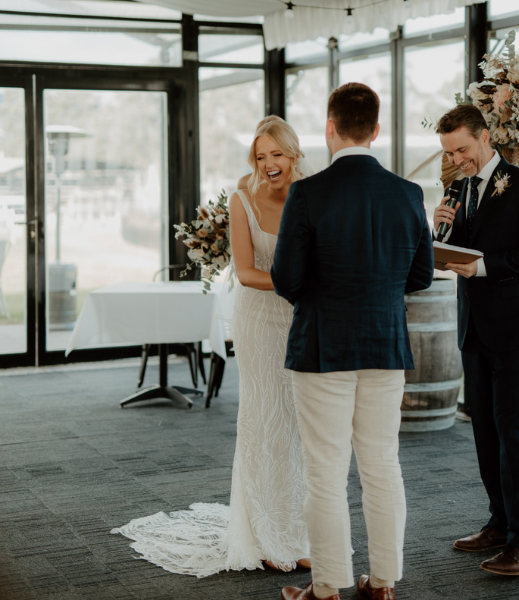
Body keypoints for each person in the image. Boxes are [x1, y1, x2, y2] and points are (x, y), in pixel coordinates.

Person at [111, 115, 311, 576]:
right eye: (261, 157)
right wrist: (304, 286)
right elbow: (245, 272)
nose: (269, 164)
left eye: (277, 154)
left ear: (294, 153)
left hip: (304, 322)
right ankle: (264, 535)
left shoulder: (313, 192)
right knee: (264, 422)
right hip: (260, 320)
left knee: (300, 426)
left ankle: (299, 533)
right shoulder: (243, 196)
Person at [271, 82, 434, 600]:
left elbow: (286, 280)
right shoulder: (408, 193)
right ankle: (382, 584)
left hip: (323, 347)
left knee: (326, 471)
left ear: (330, 127)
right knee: (382, 464)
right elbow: (422, 275)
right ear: (376, 130)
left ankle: (328, 588)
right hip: (385, 345)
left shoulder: (309, 192)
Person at [433, 104, 519, 576]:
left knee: (516, 432)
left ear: (485, 137)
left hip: (518, 329)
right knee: (485, 429)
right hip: (475, 326)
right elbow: (455, 252)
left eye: (462, 149)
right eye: (449, 152)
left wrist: (485, 266)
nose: (457, 159)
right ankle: (500, 522)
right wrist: (439, 229)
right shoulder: (457, 188)